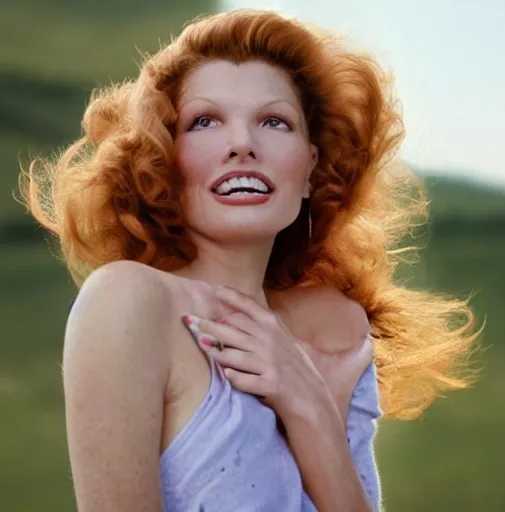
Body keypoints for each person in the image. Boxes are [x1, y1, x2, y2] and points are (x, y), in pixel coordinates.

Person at [19, 8, 480, 512]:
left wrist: (309, 408)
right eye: (204, 121)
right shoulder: (128, 301)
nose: (242, 144)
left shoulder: (340, 333)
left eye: (274, 121)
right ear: (165, 161)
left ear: (309, 169)